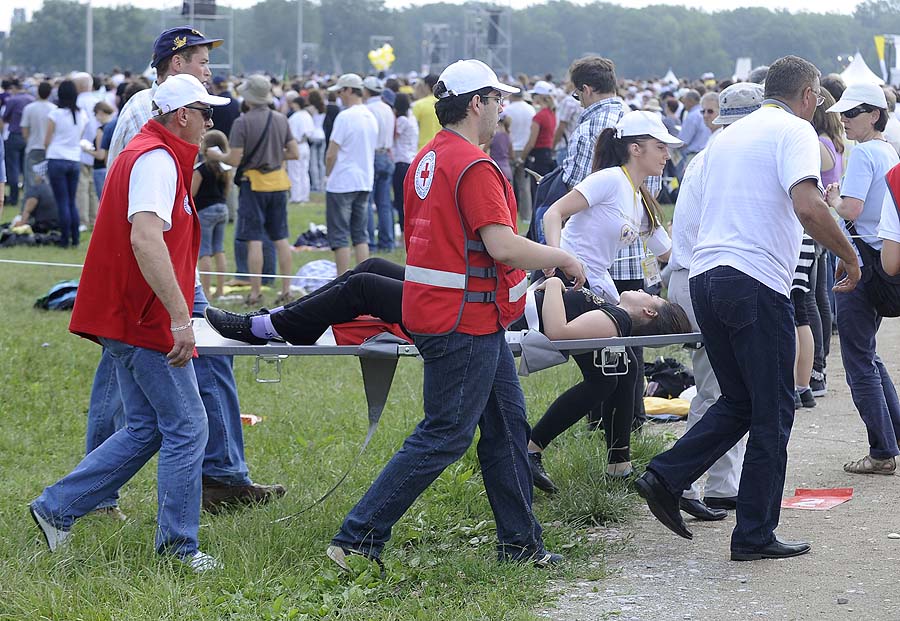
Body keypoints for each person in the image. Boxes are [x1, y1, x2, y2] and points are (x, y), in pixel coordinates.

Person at [326, 59, 587, 573]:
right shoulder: (473, 164)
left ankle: (520, 545)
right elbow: (502, 245)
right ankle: (357, 539)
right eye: (496, 100)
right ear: (476, 104)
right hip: (462, 319)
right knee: (445, 433)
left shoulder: (428, 158)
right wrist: (560, 257)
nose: (501, 110)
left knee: (509, 428)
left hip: (453, 313)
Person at [634, 55, 861, 562]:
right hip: (753, 281)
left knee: (738, 401)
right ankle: (755, 533)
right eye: (818, 101)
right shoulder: (794, 131)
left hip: (708, 278)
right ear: (807, 95)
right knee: (774, 411)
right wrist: (849, 255)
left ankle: (666, 474)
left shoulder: (726, 139)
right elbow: (808, 205)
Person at [29, 74, 231, 572]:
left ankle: (57, 508)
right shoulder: (157, 161)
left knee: (145, 427)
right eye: (207, 112)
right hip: (145, 318)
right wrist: (182, 318)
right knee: (188, 425)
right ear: (182, 114)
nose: (212, 121)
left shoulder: (154, 155)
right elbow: (145, 239)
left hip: (127, 315)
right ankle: (178, 550)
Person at [84, 26, 285, 517]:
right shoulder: (144, 114)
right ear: (176, 65)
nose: (208, 71)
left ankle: (222, 476)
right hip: (147, 279)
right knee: (123, 380)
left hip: (177, 272)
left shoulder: (172, 118)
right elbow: (137, 217)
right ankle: (95, 495)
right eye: (201, 61)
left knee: (213, 360)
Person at [529, 111, 680, 486]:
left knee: (620, 372)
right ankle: (533, 449)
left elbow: (670, 253)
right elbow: (553, 213)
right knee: (614, 373)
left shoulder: (636, 194)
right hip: (566, 283)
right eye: (660, 147)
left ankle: (615, 465)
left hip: (595, 290)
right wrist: (556, 261)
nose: (666, 155)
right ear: (635, 148)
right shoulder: (610, 180)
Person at [204, 258, 687, 350]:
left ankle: (267, 327)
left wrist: (554, 283)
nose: (647, 290)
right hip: (498, 300)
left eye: (652, 295)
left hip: (490, 318)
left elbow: (556, 334)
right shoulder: (615, 309)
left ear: (648, 312)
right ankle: (286, 322)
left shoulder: (618, 321)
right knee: (370, 266)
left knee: (366, 288)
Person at [668, 82, 764, 515]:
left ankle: (721, 482)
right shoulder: (729, 158)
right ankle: (680, 479)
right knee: (717, 390)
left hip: (697, 274)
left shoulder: (713, 154)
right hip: (706, 276)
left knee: (724, 386)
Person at [824, 82, 900, 475]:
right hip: (878, 255)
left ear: (874, 114)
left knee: (858, 360)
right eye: (843, 114)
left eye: (852, 113)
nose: (844, 119)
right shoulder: (887, 149)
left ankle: (881, 451)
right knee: (867, 355)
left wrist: (831, 197)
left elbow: (851, 208)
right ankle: (891, 440)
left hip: (863, 259)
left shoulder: (865, 153)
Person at [208, 74, 298, 306]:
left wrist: (217, 155)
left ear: (248, 98)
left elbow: (235, 159)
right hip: (278, 182)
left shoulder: (242, 122)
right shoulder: (281, 119)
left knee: (254, 240)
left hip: (253, 184)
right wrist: (275, 156)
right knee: (281, 238)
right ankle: (286, 289)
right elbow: (294, 152)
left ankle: (256, 292)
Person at [323, 73, 378, 275]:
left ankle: (342, 279)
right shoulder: (370, 116)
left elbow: (331, 153)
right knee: (360, 234)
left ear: (347, 90)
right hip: (364, 180)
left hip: (342, 181)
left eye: (339, 91)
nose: (338, 96)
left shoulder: (345, 116)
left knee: (339, 235)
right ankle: (362, 277)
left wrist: (327, 174)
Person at [809, 88, 843, 397]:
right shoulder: (831, 142)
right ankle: (819, 364)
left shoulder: (818, 143)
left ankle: (816, 366)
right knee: (818, 295)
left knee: (811, 297)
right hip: (826, 222)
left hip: (817, 223)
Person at [44, 80, 87, 248]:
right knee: (71, 201)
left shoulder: (55, 114)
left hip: (57, 157)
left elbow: (47, 140)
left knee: (61, 201)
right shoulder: (82, 114)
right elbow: (79, 136)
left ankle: (64, 240)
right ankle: (75, 238)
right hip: (74, 159)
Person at [192, 129, 231, 300]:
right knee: (219, 249)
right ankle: (220, 290)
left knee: (204, 251)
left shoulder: (200, 169)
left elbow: (192, 192)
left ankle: (206, 291)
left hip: (205, 211)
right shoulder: (225, 169)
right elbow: (228, 191)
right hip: (222, 208)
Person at [519, 80, 557, 197]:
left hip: (539, 157)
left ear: (539, 97)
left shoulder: (539, 117)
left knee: (537, 191)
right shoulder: (552, 114)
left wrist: (522, 158)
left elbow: (531, 142)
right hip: (548, 154)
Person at [20, 81, 56, 201]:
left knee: (30, 181)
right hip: (49, 148)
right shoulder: (54, 109)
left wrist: (28, 141)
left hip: (33, 147)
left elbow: (25, 130)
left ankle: (29, 209)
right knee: (47, 180)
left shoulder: (29, 108)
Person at [2, 78, 35, 208]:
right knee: (26, 168)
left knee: (13, 168)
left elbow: (5, 117)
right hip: (28, 136)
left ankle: (14, 197)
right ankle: (27, 196)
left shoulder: (13, 100)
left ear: (14, 88)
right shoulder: (31, 99)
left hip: (14, 134)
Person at [391, 93, 418, 233]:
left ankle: (403, 229)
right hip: (411, 160)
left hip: (400, 161)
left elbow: (392, 135)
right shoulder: (412, 118)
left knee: (400, 200)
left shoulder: (401, 120)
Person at [287, 94, 314, 204]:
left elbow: (290, 133)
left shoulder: (295, 117)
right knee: (304, 171)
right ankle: (304, 195)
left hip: (296, 145)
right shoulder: (307, 115)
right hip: (305, 145)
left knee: (295, 172)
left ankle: (296, 196)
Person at [412, 73, 440, 148]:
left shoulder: (419, 105)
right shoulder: (445, 104)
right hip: (442, 147)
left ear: (426, 86)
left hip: (423, 149)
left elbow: (413, 128)